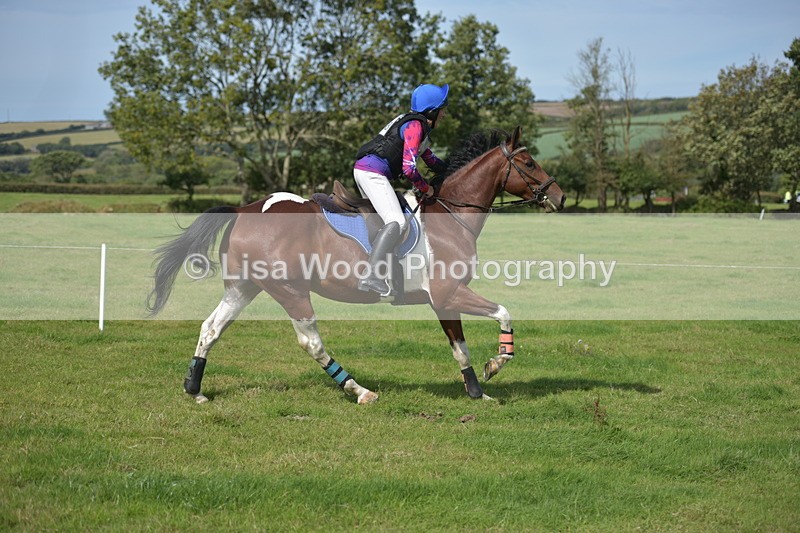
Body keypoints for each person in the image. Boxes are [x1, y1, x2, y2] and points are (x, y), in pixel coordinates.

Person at [353, 83, 449, 295]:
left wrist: (455, 168)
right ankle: (372, 276)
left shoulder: (416, 125)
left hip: (366, 171)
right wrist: (425, 189)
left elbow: (430, 159)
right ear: (432, 111)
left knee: (388, 222)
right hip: (372, 174)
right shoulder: (415, 126)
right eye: (443, 108)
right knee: (396, 222)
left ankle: (391, 275)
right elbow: (408, 168)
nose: (444, 113)